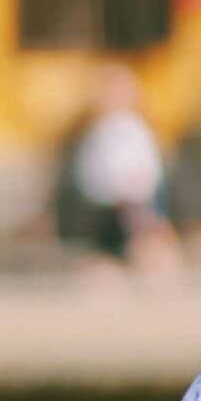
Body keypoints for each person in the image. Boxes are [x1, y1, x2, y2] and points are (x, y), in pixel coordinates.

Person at [62, 64, 175, 272]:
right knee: (108, 254)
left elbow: (139, 169)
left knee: (142, 245)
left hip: (131, 201)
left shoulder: (128, 127)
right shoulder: (99, 128)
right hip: (104, 202)